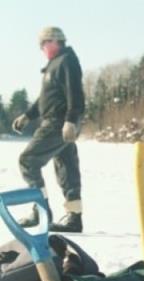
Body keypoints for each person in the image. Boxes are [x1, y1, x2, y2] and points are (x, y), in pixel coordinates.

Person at [11, 26, 85, 232]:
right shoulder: (54, 65)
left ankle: (40, 211)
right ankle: (74, 217)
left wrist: (71, 119)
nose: (42, 49)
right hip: (58, 122)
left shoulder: (67, 61)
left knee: (28, 160)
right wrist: (28, 115)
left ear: (53, 41)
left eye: (43, 44)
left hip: (58, 123)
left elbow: (75, 93)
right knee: (67, 169)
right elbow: (44, 100)